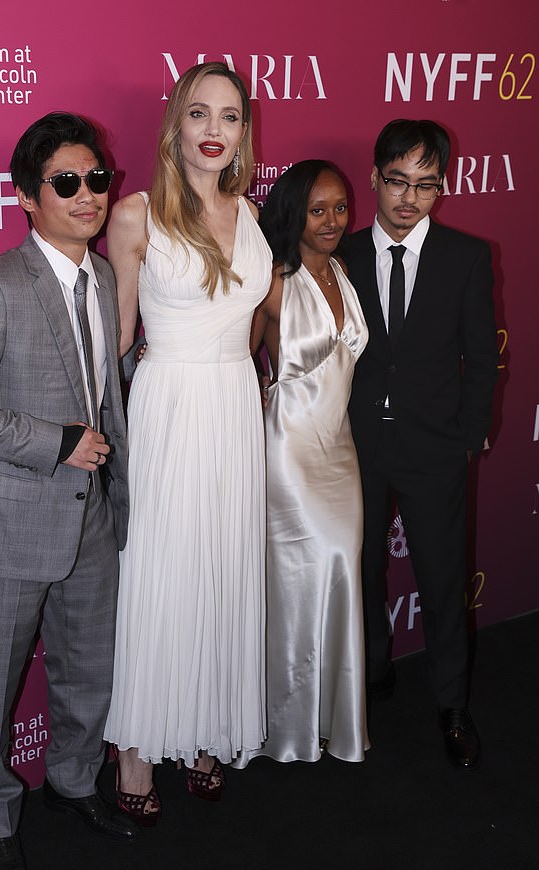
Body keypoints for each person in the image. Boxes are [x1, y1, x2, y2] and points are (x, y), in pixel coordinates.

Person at [0, 112, 137, 870]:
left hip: (93, 520)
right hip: (12, 525)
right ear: (26, 196)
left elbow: (105, 393)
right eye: (67, 182)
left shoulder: (105, 276)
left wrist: (123, 493)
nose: (87, 196)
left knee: (89, 670)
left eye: (97, 179)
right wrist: (55, 444)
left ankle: (73, 780)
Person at [102, 61, 272, 825]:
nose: (214, 131)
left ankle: (205, 730)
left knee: (221, 566)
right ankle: (136, 747)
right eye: (199, 113)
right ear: (176, 123)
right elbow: (116, 339)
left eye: (230, 117)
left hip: (235, 406)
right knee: (162, 571)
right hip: (169, 404)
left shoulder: (251, 213)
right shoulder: (137, 214)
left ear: (243, 133)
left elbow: (252, 321)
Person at [346, 119, 499, 769]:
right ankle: (374, 671)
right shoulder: (342, 254)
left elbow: (481, 359)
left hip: (436, 448)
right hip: (353, 448)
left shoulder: (467, 255)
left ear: (442, 188)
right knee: (361, 573)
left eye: (426, 186)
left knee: (441, 582)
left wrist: (467, 438)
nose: (409, 199)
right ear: (375, 178)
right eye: (398, 182)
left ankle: (451, 703)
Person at [236, 160, 369, 767]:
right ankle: (282, 726)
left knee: (340, 570)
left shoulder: (343, 271)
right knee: (295, 586)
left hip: (339, 449)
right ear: (293, 212)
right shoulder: (273, 281)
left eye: (340, 207)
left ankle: (329, 719)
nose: (332, 221)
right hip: (287, 449)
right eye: (317, 210)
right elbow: (232, 361)